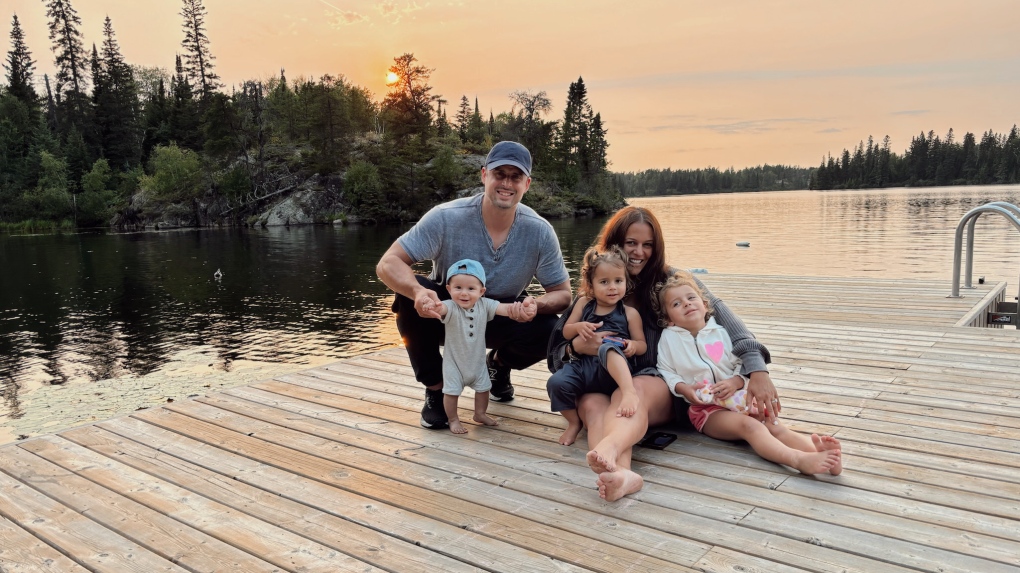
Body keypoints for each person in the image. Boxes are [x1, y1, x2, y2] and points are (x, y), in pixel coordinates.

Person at [546, 206, 780, 501]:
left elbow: (733, 328)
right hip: (600, 380)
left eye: (647, 245)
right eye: (630, 243)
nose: (639, 252)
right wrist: (575, 348)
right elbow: (555, 356)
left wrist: (757, 370)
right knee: (593, 406)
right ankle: (621, 474)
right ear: (615, 243)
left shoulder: (670, 283)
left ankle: (611, 453)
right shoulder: (594, 289)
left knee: (634, 391)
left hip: (654, 386)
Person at [377, 141, 572, 429]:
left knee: (553, 330)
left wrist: (536, 305)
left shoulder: (540, 231)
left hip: (503, 312)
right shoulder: (446, 217)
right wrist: (419, 291)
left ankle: (499, 366)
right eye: (499, 174)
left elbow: (563, 294)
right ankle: (436, 389)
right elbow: (388, 263)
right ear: (484, 176)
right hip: (449, 314)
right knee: (407, 294)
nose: (506, 183)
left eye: (515, 177)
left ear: (527, 184)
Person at [653, 271, 843, 475]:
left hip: (740, 399)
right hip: (708, 410)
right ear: (668, 319)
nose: (687, 304)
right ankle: (797, 460)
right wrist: (683, 388)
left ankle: (823, 455)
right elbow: (666, 370)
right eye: (676, 304)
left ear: (705, 305)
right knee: (751, 427)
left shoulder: (721, 332)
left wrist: (737, 381)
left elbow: (741, 364)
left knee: (775, 425)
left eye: (691, 298)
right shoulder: (669, 340)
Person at [423, 259, 536, 434]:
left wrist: (521, 308)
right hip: (455, 364)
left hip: (477, 363)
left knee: (484, 389)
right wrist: (432, 305)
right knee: (451, 393)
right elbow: (440, 309)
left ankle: (480, 414)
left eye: (471, 289)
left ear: (481, 291)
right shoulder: (450, 306)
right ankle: (453, 419)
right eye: (458, 287)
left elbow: (505, 309)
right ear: (448, 289)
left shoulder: (485, 305)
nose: (464, 293)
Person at [547, 245, 646, 446]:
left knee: (606, 348)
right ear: (591, 285)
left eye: (618, 281)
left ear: (626, 282)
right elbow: (565, 331)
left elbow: (642, 344)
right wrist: (579, 326)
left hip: (612, 372)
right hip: (583, 367)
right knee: (556, 383)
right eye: (604, 282)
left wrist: (632, 345)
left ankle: (628, 392)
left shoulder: (630, 313)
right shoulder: (584, 304)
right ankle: (574, 423)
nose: (612, 287)